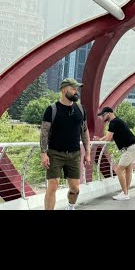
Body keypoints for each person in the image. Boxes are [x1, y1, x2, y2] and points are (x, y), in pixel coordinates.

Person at [39, 77, 91, 210]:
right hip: (55, 154)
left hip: (74, 155)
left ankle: (70, 206)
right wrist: (44, 153)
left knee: (75, 188)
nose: (76, 91)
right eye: (73, 88)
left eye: (77, 88)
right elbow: (44, 132)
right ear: (64, 90)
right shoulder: (52, 109)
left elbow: (85, 132)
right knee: (53, 185)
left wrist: (88, 153)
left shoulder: (80, 109)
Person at [94, 106, 135, 200]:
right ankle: (126, 192)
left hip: (130, 148)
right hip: (134, 146)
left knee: (118, 170)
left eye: (103, 115)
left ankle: (125, 194)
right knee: (128, 170)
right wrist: (100, 139)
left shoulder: (113, 123)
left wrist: (101, 140)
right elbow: (111, 137)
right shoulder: (117, 121)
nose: (102, 118)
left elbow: (108, 138)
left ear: (109, 113)